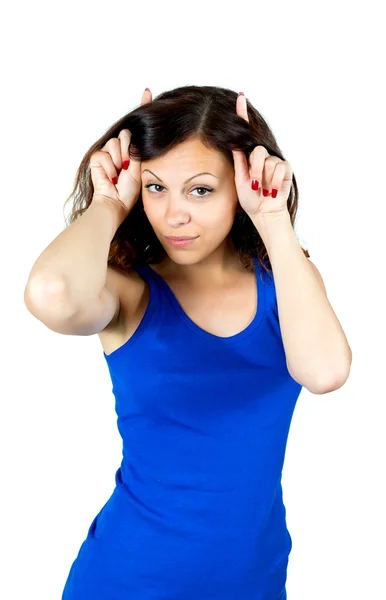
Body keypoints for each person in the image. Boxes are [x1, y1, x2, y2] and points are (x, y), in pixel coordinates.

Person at [24, 85, 352, 600]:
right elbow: (51, 294)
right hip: (126, 580)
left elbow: (326, 372)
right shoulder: (130, 291)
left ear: (239, 188)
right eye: (156, 188)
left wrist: (273, 221)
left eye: (200, 190)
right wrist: (109, 202)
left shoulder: (286, 283)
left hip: (253, 583)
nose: (174, 214)